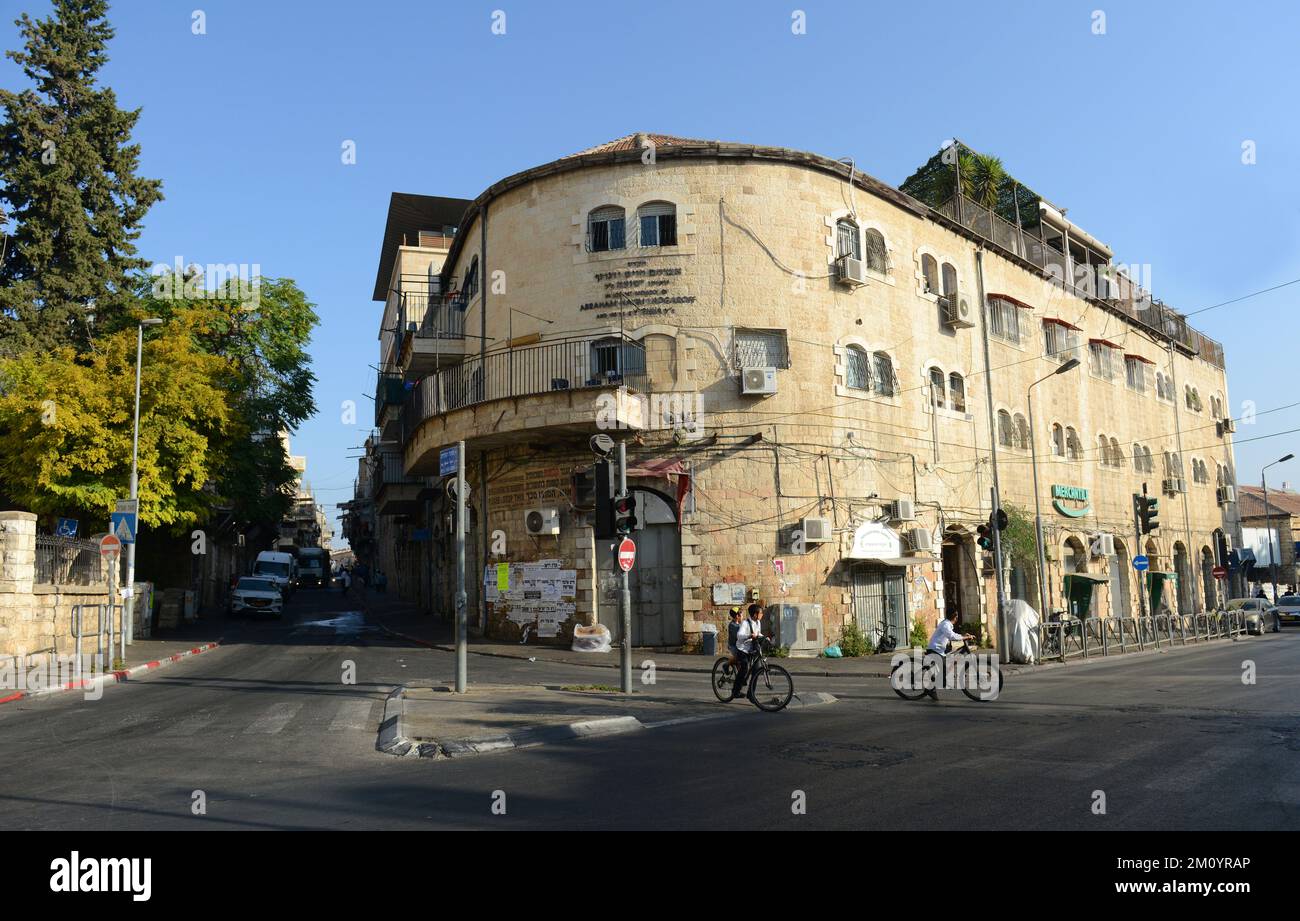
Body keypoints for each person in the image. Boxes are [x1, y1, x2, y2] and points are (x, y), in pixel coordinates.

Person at [924, 610, 975, 700]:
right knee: (945, 667)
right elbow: (951, 636)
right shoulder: (945, 625)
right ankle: (931, 688)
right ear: (955, 618)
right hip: (934, 650)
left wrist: (962, 635)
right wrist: (965, 637)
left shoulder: (947, 624)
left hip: (940, 650)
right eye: (957, 617)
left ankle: (939, 680)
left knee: (947, 665)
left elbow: (952, 635)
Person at [730, 603, 765, 701]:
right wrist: (749, 636)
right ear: (755, 614)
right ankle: (735, 691)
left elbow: (758, 633)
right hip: (743, 649)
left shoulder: (758, 622)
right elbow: (739, 635)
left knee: (756, 670)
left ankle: (751, 694)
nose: (762, 614)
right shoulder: (745, 623)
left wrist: (766, 638)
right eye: (760, 613)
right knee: (744, 668)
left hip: (753, 649)